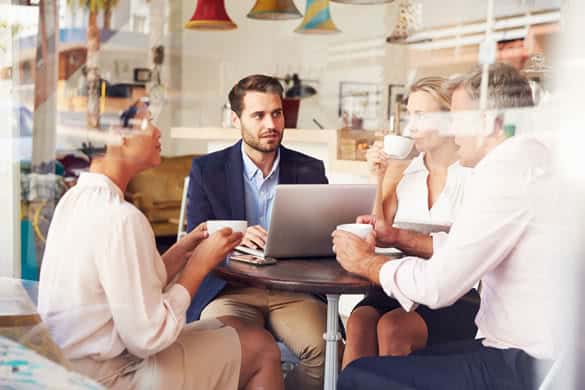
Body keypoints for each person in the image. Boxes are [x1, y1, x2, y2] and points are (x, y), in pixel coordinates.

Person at [333, 63, 556, 389]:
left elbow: (438, 287)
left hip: (523, 365)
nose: (453, 132)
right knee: (381, 355)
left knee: (358, 376)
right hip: (529, 354)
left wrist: (367, 263)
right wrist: (395, 236)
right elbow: (462, 247)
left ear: (489, 122)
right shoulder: (528, 161)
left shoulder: (503, 173)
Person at [38, 100, 284, 390]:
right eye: (148, 122)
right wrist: (199, 265)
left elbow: (128, 288)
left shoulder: (75, 200)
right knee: (263, 348)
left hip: (71, 370)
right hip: (115, 377)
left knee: (238, 328)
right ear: (119, 136)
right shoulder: (122, 219)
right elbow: (148, 337)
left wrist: (183, 251)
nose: (157, 131)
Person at [186, 74, 329, 390]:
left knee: (327, 350)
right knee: (233, 350)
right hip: (230, 290)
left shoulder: (310, 169)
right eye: (258, 115)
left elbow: (322, 239)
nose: (271, 124)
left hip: (291, 290)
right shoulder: (207, 170)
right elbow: (194, 241)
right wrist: (234, 239)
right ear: (236, 119)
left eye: (276, 113)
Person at [343, 77, 479, 368]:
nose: (410, 127)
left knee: (393, 327)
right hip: (401, 282)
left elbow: (468, 250)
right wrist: (377, 177)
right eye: (409, 116)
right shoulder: (403, 172)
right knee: (359, 322)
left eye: (422, 116)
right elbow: (379, 231)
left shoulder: (474, 173)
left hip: (455, 292)